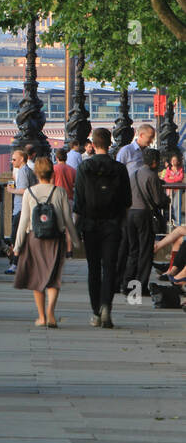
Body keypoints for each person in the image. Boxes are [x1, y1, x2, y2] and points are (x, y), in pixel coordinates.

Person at [74, 127, 133, 328]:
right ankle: (107, 305)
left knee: (93, 269)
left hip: (90, 224)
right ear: (109, 143)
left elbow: (79, 202)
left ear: (93, 143)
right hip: (113, 223)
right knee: (109, 267)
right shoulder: (119, 169)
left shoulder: (84, 168)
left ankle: (95, 311)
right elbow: (127, 200)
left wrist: (74, 229)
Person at [13, 156, 78, 327]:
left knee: (37, 278)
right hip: (55, 239)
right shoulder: (60, 192)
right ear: (52, 172)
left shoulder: (29, 192)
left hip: (34, 238)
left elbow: (24, 221)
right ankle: (51, 311)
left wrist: (17, 245)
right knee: (54, 277)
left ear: (36, 173)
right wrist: (76, 240)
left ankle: (41, 316)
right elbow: (67, 219)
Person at [122, 147, 168, 296]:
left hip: (130, 214)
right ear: (154, 162)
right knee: (145, 251)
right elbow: (158, 200)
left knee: (133, 250)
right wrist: (165, 199)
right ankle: (140, 286)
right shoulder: (151, 176)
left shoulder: (134, 174)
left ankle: (127, 283)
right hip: (143, 214)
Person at [4, 149, 38, 275]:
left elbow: (24, 190)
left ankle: (15, 264)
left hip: (21, 209)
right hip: (25, 208)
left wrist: (11, 190)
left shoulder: (23, 172)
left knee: (16, 237)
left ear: (21, 159)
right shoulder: (26, 171)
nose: (11, 161)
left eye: (14, 159)